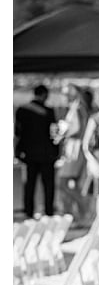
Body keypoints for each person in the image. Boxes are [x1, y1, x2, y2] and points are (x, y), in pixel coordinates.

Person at [15, 84, 59, 218]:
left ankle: (29, 212)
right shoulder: (48, 111)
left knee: (29, 184)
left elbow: (18, 133)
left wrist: (17, 151)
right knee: (48, 186)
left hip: (29, 154)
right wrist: (56, 151)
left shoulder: (21, 110)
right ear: (44, 95)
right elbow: (54, 133)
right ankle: (49, 212)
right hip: (47, 154)